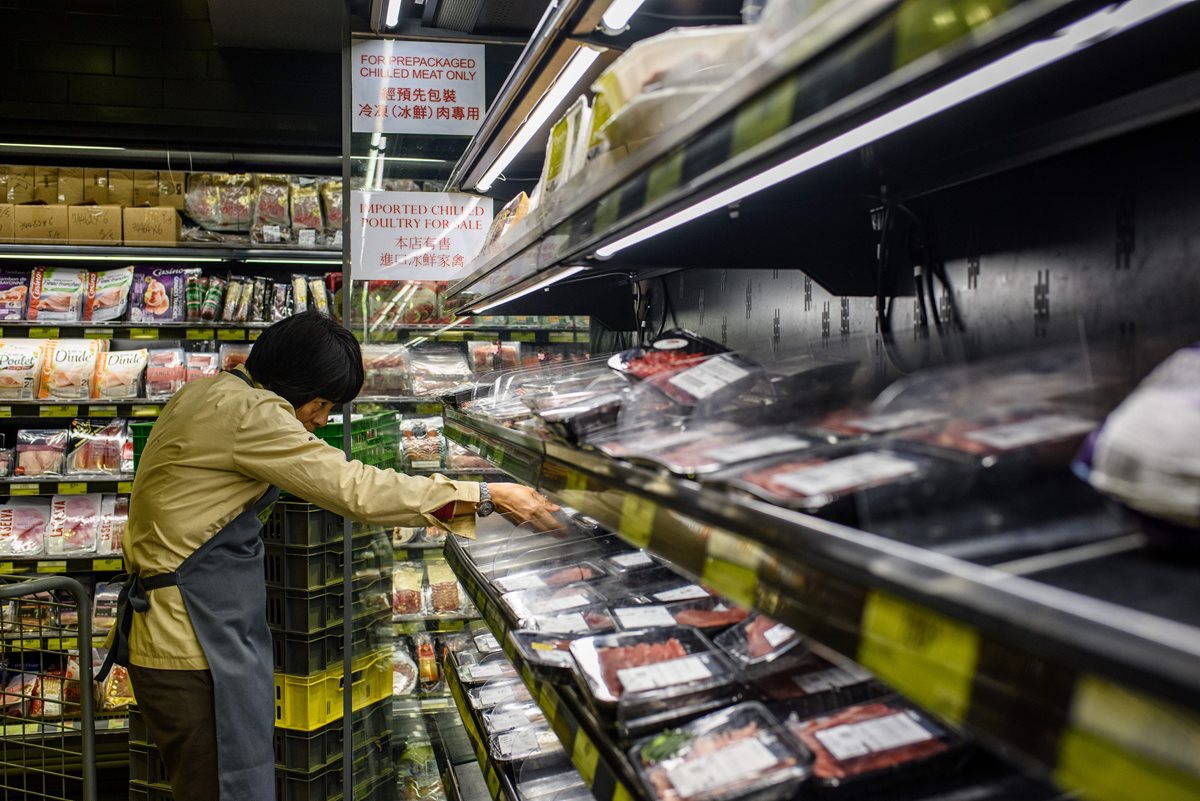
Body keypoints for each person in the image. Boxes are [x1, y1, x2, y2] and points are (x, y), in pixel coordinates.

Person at [100, 312, 559, 801]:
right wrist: (487, 495)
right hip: (192, 641)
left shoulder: (207, 393)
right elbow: (354, 489)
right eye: (320, 403)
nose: (320, 420)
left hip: (186, 630)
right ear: (289, 383)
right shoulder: (251, 414)